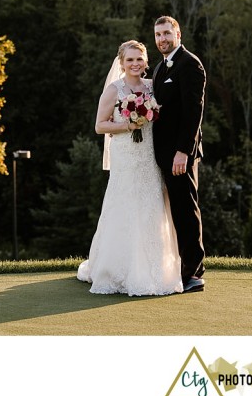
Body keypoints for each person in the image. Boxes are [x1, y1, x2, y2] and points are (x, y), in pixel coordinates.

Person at [77, 40, 183, 296]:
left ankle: (153, 269)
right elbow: (100, 126)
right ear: (122, 63)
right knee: (124, 204)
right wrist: (128, 125)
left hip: (148, 155)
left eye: (139, 59)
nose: (135, 64)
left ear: (146, 61)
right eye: (130, 60)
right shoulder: (114, 90)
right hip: (125, 155)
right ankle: (116, 269)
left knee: (150, 205)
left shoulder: (152, 86)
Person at [151, 15, 207, 292]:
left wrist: (183, 151)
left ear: (178, 34)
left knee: (186, 210)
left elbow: (193, 113)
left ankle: (193, 273)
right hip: (161, 154)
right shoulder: (160, 68)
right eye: (158, 35)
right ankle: (178, 268)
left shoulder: (190, 64)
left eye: (166, 33)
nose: (162, 39)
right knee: (174, 210)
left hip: (179, 155)